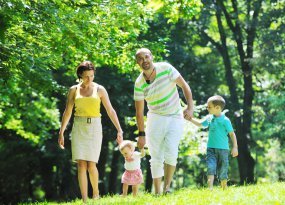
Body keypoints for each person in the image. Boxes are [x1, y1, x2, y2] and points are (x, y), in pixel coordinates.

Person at [58, 61, 124, 202]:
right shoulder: (73, 90)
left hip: (94, 127)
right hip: (78, 127)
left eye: (92, 76)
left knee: (91, 163)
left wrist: (119, 129)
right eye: (86, 76)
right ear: (80, 75)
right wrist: (61, 132)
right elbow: (67, 112)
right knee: (81, 164)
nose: (89, 79)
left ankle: (95, 194)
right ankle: (84, 200)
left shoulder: (100, 89)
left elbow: (110, 111)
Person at [133, 48, 194, 195]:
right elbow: (139, 112)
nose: (144, 60)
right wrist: (141, 134)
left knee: (171, 151)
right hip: (155, 117)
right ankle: (157, 191)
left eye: (146, 56)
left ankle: (167, 188)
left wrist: (190, 107)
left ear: (152, 57)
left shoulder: (166, 69)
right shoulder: (139, 83)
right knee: (156, 155)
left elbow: (184, 86)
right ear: (137, 63)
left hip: (175, 116)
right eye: (140, 59)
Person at [186, 95, 238, 189]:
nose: (207, 108)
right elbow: (201, 124)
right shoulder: (210, 118)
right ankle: (210, 188)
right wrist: (190, 119)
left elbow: (232, 134)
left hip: (223, 149)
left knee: (223, 169)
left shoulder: (225, 120)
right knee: (210, 166)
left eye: (209, 107)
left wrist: (235, 147)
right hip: (211, 148)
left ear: (217, 108)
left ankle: (224, 187)